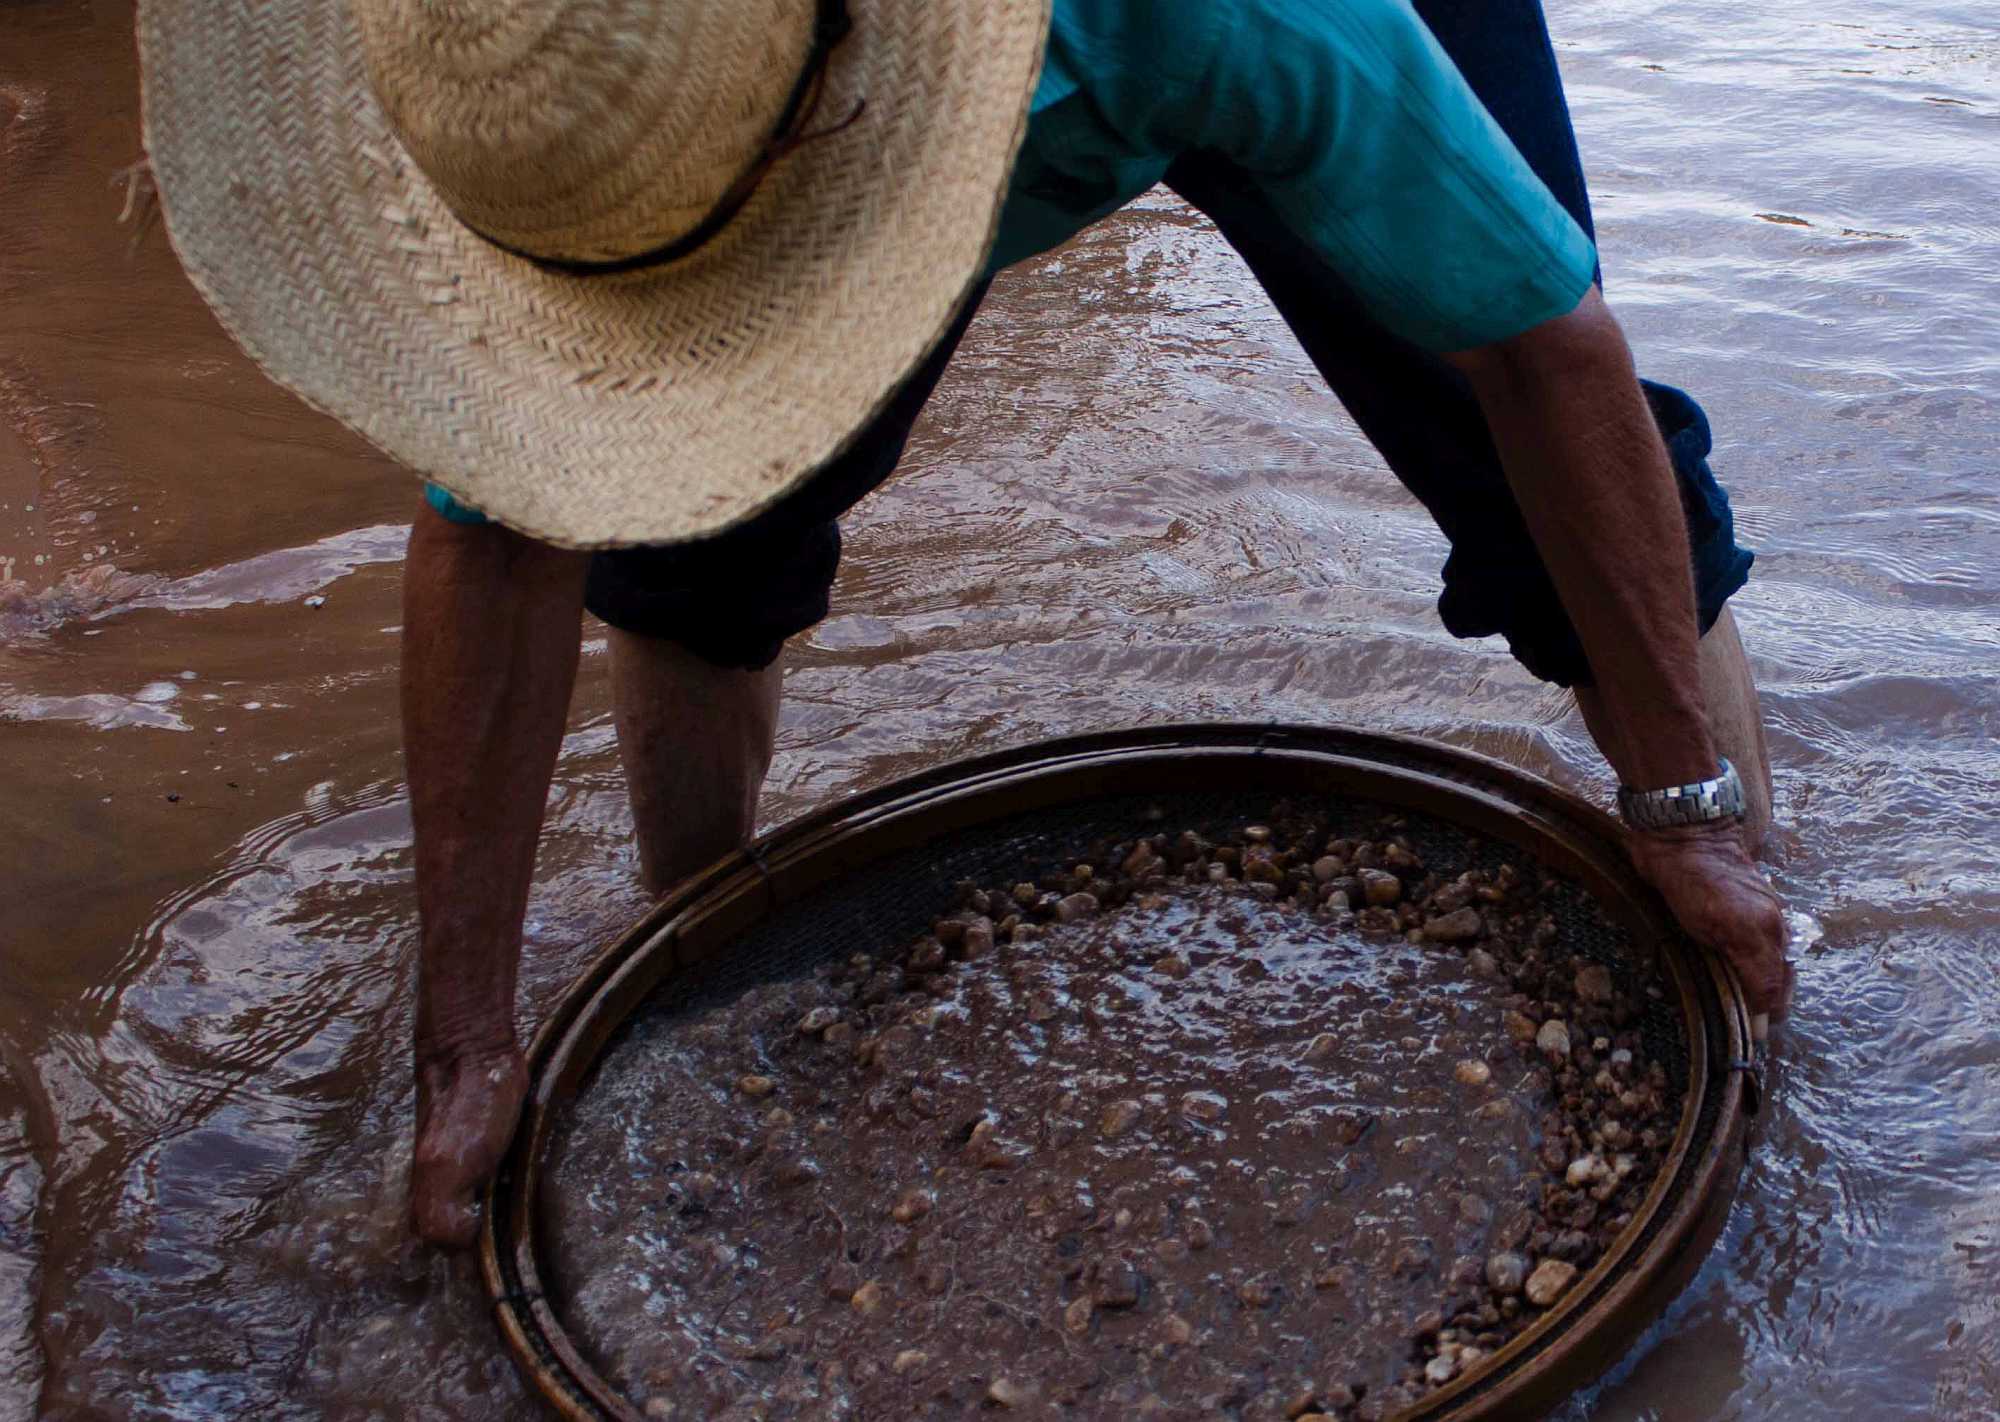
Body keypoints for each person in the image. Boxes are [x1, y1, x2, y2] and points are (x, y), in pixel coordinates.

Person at [138, 0, 1790, 1249]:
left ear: (828, 128)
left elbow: (1543, 350)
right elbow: (498, 534)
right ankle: (716, 980)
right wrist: (468, 1040)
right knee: (692, 542)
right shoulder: (515, 84)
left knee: (1574, 512)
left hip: (1180, 36)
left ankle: (1761, 993)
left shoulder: (1216, 16)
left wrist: (1678, 800)